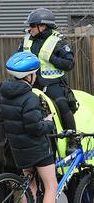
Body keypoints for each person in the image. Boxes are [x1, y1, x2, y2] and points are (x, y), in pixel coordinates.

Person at [0, 51, 64, 203]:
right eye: (35, 73)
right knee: (51, 186)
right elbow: (34, 127)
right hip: (37, 150)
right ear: (29, 76)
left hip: (19, 151)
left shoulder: (5, 95)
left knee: (31, 188)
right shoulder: (30, 97)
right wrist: (48, 123)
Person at [18, 8, 77, 151]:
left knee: (62, 105)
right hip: (29, 83)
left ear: (42, 26)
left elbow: (69, 64)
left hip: (52, 83)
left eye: (32, 25)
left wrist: (51, 58)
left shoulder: (58, 40)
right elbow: (18, 58)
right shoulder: (27, 39)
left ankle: (73, 139)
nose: (29, 28)